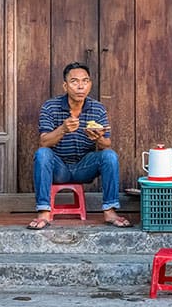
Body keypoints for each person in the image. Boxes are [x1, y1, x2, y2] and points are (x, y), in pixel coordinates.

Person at [27, 62, 131, 230]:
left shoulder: (97, 109)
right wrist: (62, 129)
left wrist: (98, 138)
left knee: (110, 155)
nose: (80, 86)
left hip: (85, 167)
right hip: (58, 168)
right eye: (74, 81)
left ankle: (110, 211)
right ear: (65, 85)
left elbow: (107, 143)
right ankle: (44, 212)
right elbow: (44, 141)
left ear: (90, 84)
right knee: (42, 153)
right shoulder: (50, 107)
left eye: (85, 81)